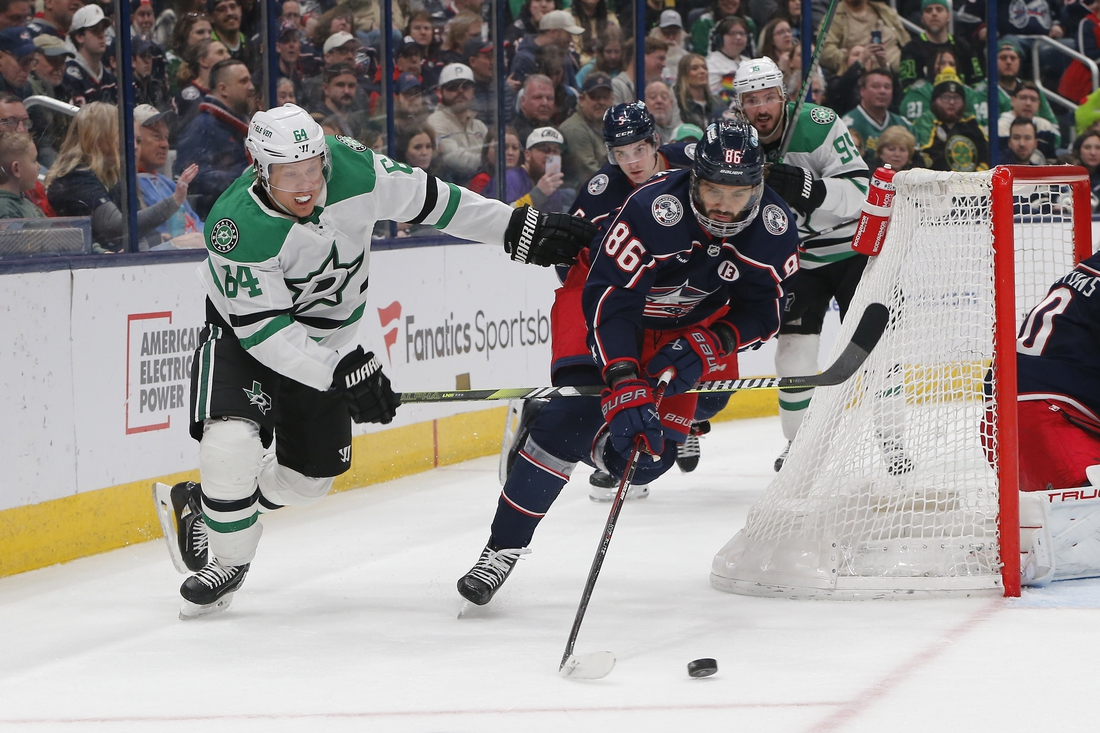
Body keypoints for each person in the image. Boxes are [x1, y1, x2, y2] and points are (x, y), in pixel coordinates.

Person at [157, 102, 597, 618]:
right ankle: (227, 562)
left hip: (330, 340)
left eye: (312, 169)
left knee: (307, 483)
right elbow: (266, 335)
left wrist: (514, 229)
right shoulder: (236, 226)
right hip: (244, 337)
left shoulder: (353, 168)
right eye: (289, 175)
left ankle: (206, 506)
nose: (306, 185)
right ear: (260, 168)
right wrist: (337, 374)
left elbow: (436, 200)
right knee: (230, 444)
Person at [457, 119, 800, 607]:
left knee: (644, 460)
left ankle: (568, 427)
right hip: (601, 307)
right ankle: (501, 548)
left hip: (683, 327)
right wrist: (622, 379)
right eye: (713, 191)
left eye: (738, 194)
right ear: (696, 179)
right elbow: (610, 303)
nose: (724, 207)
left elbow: (765, 310)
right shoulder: (652, 210)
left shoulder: (774, 226)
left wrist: (712, 341)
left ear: (757, 187)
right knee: (568, 423)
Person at [732, 58, 871, 471]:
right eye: (751, 100)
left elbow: (861, 190)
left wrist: (810, 190)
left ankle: (894, 441)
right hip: (799, 259)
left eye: (768, 97)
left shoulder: (818, 124)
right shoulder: (735, 141)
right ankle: (799, 446)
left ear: (783, 96)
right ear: (740, 105)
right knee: (792, 354)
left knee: (874, 349)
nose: (761, 108)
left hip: (853, 251)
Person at [46, 102, 194, 252]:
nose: (134, 146)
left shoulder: (114, 176)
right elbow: (116, 227)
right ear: (99, 136)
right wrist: (174, 201)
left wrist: (155, 241)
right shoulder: (76, 178)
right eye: (123, 135)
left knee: (196, 241)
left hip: (123, 261)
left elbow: (139, 236)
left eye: (137, 140)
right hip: (99, 264)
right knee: (194, 243)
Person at [174, 58, 254, 220]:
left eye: (250, 80)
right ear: (223, 89)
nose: (251, 87)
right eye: (243, 81)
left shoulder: (239, 127)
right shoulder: (202, 127)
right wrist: (244, 176)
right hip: (215, 219)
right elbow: (188, 177)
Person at [134, 104, 203, 243]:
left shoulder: (169, 184)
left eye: (166, 137)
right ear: (136, 139)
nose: (165, 144)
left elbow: (196, 224)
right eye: (156, 136)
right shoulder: (130, 186)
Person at [898, 0, 983, 91]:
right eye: (928, 10)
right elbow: (908, 88)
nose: (934, 13)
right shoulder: (911, 49)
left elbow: (977, 85)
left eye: (939, 9)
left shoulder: (964, 47)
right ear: (922, 18)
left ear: (948, 17)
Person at [426, 62, 487, 186]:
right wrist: (489, 160)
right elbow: (453, 159)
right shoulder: (434, 122)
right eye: (452, 86)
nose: (460, 91)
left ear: (473, 91)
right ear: (440, 91)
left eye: (466, 86)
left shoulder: (479, 125)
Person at [918, 67, 989, 172]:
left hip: (973, 180)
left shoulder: (971, 123)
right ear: (935, 100)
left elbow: (986, 154)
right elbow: (928, 153)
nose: (952, 102)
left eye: (956, 98)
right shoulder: (926, 121)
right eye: (946, 97)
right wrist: (953, 178)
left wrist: (975, 177)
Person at [840, 69, 914, 163]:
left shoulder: (904, 125)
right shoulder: (847, 125)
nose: (882, 91)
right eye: (876, 86)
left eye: (887, 87)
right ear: (862, 91)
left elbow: (916, 160)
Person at [820, 0, 910, 75]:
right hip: (866, 79)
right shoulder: (833, 17)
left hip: (903, 73)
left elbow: (907, 41)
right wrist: (851, 59)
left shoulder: (883, 10)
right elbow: (824, 51)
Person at [559, 71, 613, 189]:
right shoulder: (575, 128)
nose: (601, 102)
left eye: (605, 97)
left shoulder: (608, 124)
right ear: (582, 99)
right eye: (595, 97)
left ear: (612, 99)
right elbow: (590, 173)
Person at [62, 4, 117, 107]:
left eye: (103, 29)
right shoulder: (69, 75)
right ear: (79, 37)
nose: (101, 35)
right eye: (95, 30)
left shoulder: (109, 77)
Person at [175, 39, 230, 131]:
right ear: (203, 61)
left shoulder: (224, 92)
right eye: (220, 53)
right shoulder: (191, 97)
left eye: (227, 52)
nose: (228, 56)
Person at [997, 82, 1060, 159]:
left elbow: (1050, 158)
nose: (1028, 103)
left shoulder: (1044, 126)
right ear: (1013, 100)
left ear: (1038, 104)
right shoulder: (1001, 126)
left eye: (1033, 99)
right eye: (1023, 98)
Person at [307, 63, 367, 138]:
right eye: (340, 85)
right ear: (326, 88)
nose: (347, 91)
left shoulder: (355, 119)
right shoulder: (316, 122)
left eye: (351, 86)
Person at [706, 15, 751, 106]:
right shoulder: (710, 63)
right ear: (720, 38)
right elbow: (713, 95)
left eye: (742, 33)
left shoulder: (750, 62)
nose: (738, 37)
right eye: (732, 34)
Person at [165, 12, 213, 97]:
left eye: (210, 32)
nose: (207, 37)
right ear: (184, 36)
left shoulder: (211, 60)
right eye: (200, 32)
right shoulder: (169, 61)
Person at [610, 36, 667, 105]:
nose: (664, 65)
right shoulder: (616, 86)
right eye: (660, 59)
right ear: (640, 57)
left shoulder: (663, 88)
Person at [0, 129, 43, 218]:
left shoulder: (22, 201)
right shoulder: (6, 211)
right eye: (34, 160)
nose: (39, 167)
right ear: (16, 169)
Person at [207, 0, 255, 72]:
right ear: (211, 17)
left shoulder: (252, 45)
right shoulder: (208, 48)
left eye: (233, 7)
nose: (229, 13)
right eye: (221, 9)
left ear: (240, 10)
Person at [675, 53, 717, 129]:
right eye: (694, 68)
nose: (702, 71)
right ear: (684, 74)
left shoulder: (717, 102)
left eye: (705, 68)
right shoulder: (677, 103)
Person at [512, 73, 555, 146]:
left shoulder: (558, 134)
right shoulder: (515, 137)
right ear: (523, 101)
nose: (545, 103)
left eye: (549, 98)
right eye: (538, 97)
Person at [0, 26, 35, 99]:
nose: (28, 68)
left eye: (31, 62)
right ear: (1, 57)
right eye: (23, 61)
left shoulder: (26, 89)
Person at [644, 78, 681, 145]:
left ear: (671, 103)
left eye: (664, 97)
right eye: (653, 97)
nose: (659, 101)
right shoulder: (638, 135)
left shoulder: (681, 132)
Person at [1072, 129, 1100, 210]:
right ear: (1078, 151)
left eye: (1098, 148)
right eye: (1087, 147)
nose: (1093, 153)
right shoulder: (1067, 177)